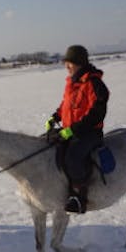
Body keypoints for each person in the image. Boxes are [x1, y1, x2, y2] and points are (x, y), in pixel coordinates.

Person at [45, 45, 109, 214]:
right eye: (66, 63)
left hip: (89, 133)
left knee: (73, 156)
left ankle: (79, 196)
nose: (67, 66)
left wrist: (73, 130)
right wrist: (55, 117)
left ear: (80, 63)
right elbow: (66, 105)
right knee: (49, 147)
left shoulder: (94, 83)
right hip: (70, 130)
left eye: (70, 63)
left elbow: (97, 113)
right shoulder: (72, 82)